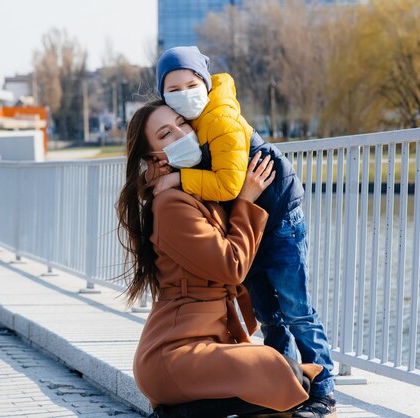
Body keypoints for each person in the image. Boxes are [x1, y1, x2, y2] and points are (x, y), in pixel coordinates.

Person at [145, 46, 336, 417]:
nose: (185, 93)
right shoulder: (192, 122)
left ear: (205, 81)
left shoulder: (220, 118)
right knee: (267, 311)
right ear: (163, 95)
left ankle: (324, 391)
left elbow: (230, 186)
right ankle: (288, 387)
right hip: (251, 224)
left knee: (296, 308)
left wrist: (178, 178)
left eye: (191, 83)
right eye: (174, 88)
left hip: (278, 219)